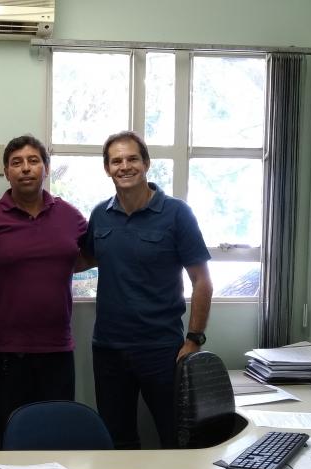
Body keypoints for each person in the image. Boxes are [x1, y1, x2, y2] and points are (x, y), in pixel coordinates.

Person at [82, 131, 213, 450]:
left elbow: (202, 280)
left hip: (161, 349)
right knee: (118, 440)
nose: (124, 166)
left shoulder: (176, 213)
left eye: (132, 159)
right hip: (109, 350)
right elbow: (83, 258)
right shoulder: (100, 214)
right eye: (116, 161)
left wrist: (194, 338)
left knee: (175, 437)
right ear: (107, 168)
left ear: (146, 164)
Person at [0, 135, 87, 446]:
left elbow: (85, 256)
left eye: (33, 161)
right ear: (6, 172)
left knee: (57, 437)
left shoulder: (71, 217)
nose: (25, 168)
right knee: (11, 438)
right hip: (4, 353)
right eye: (17, 163)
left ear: (46, 168)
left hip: (57, 351)